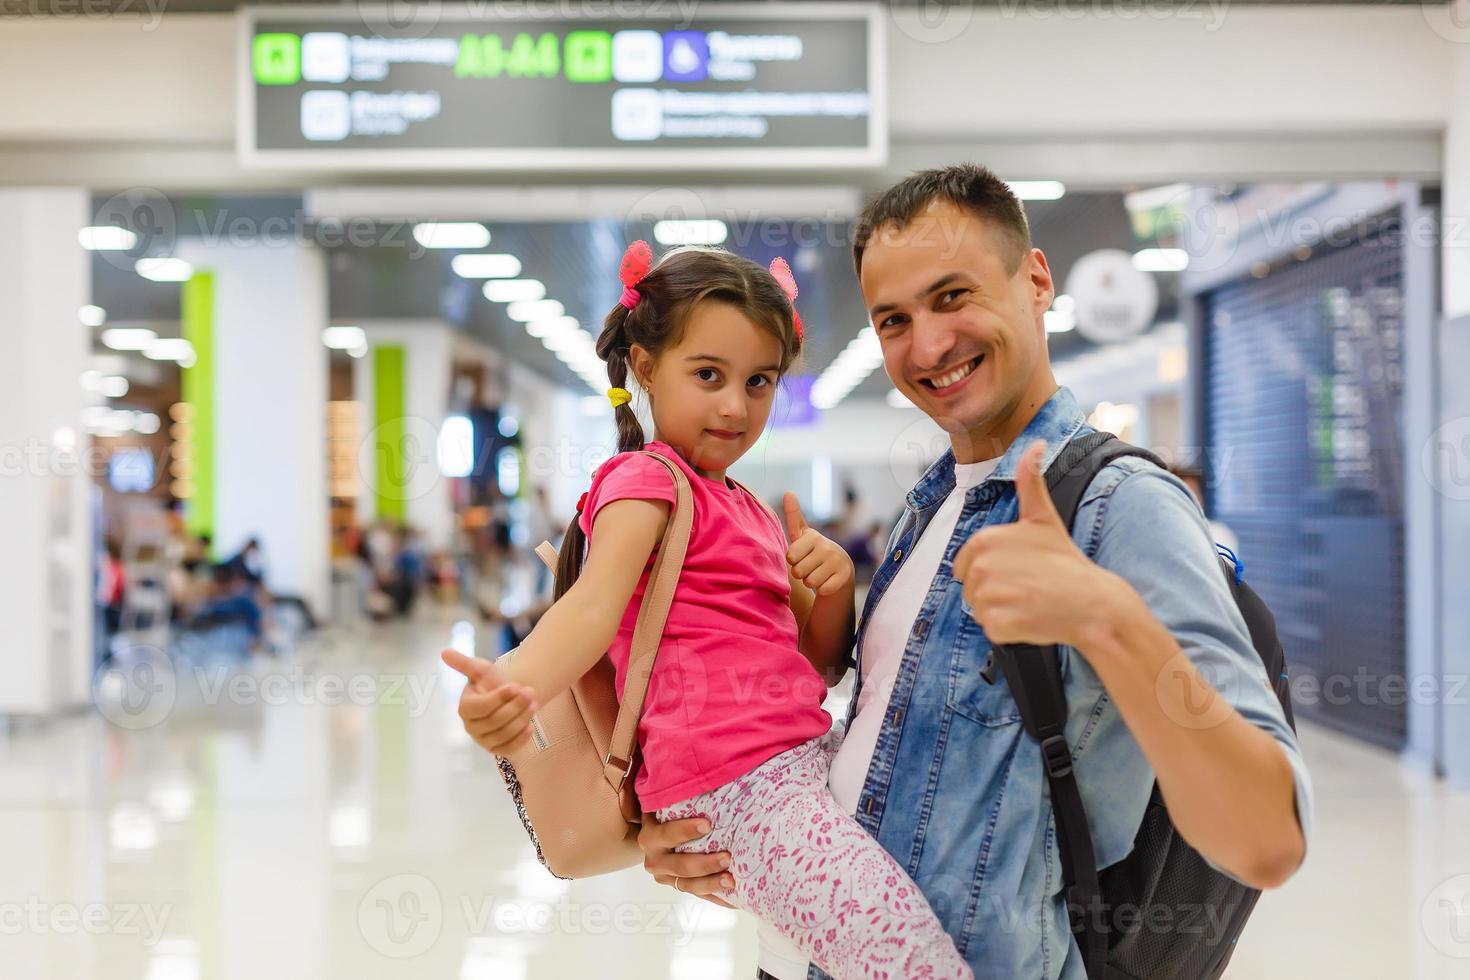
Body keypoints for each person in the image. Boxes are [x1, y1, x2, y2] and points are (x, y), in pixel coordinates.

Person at [636, 165, 1312, 979]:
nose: (926, 346)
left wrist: (1105, 618)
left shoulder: (1120, 507)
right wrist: (717, 836)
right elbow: (891, 757)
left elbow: (1269, 838)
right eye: (893, 319)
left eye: (952, 296)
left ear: (1034, 280)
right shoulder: (931, 507)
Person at [445, 244, 973, 979]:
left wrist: (834, 585)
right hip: (740, 790)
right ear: (647, 366)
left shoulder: (746, 509)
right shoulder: (645, 480)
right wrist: (510, 685)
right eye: (708, 375)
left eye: (759, 382)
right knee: (911, 958)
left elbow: (818, 666)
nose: (735, 405)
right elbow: (592, 605)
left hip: (799, 764)